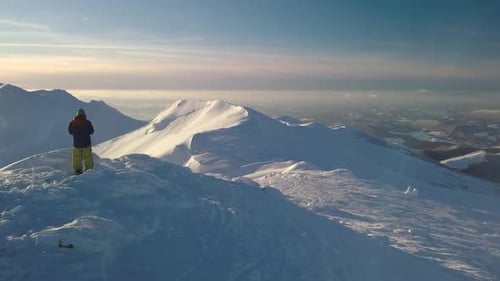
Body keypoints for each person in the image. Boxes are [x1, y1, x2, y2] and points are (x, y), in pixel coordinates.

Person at [68, 108, 95, 175]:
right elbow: (91, 131)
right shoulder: (88, 122)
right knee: (88, 157)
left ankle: (78, 170)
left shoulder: (72, 122)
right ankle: (89, 170)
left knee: (77, 158)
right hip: (86, 144)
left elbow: (70, 131)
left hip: (76, 144)